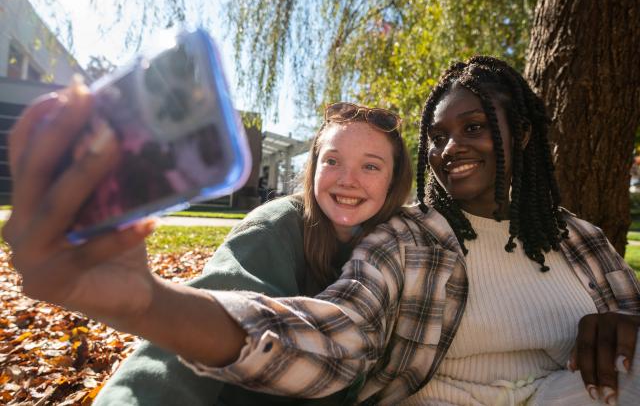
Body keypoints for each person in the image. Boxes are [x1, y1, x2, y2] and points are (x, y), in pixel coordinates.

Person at [7, 57, 640, 405]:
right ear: (310, 169)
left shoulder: (579, 238)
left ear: (522, 135)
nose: (451, 149)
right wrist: (151, 302)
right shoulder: (405, 237)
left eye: (474, 128)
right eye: (440, 136)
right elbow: (334, 337)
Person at [3, 86, 412, 405]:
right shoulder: (277, 226)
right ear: (314, 167)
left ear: (394, 182)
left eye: (370, 166)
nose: (347, 180)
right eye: (332, 160)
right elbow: (202, 317)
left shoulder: (397, 246)